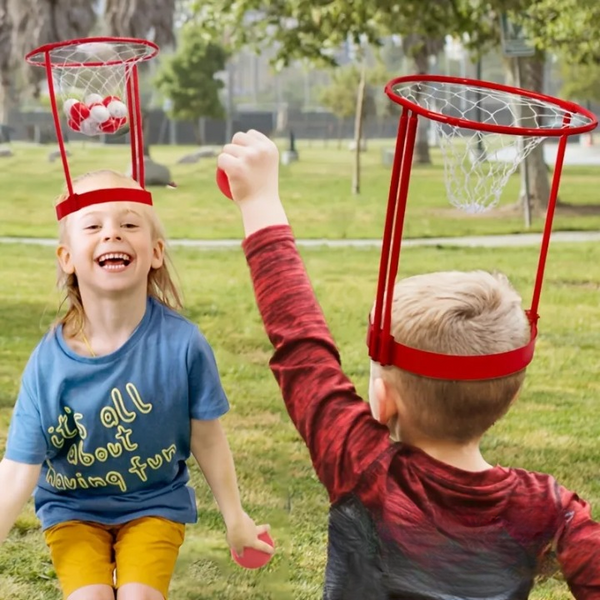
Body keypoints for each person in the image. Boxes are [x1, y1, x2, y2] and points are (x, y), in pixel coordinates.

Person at [217, 130, 600, 599]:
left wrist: (259, 201)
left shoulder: (361, 464)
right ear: (512, 393)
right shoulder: (546, 510)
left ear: (382, 399)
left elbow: (301, 343)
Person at [0, 170, 273, 600]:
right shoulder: (48, 365)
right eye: (93, 226)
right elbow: (18, 471)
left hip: (154, 505)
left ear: (156, 251)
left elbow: (207, 436)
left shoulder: (183, 345)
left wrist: (235, 516)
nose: (112, 235)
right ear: (67, 257)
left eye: (129, 224)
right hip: (72, 511)